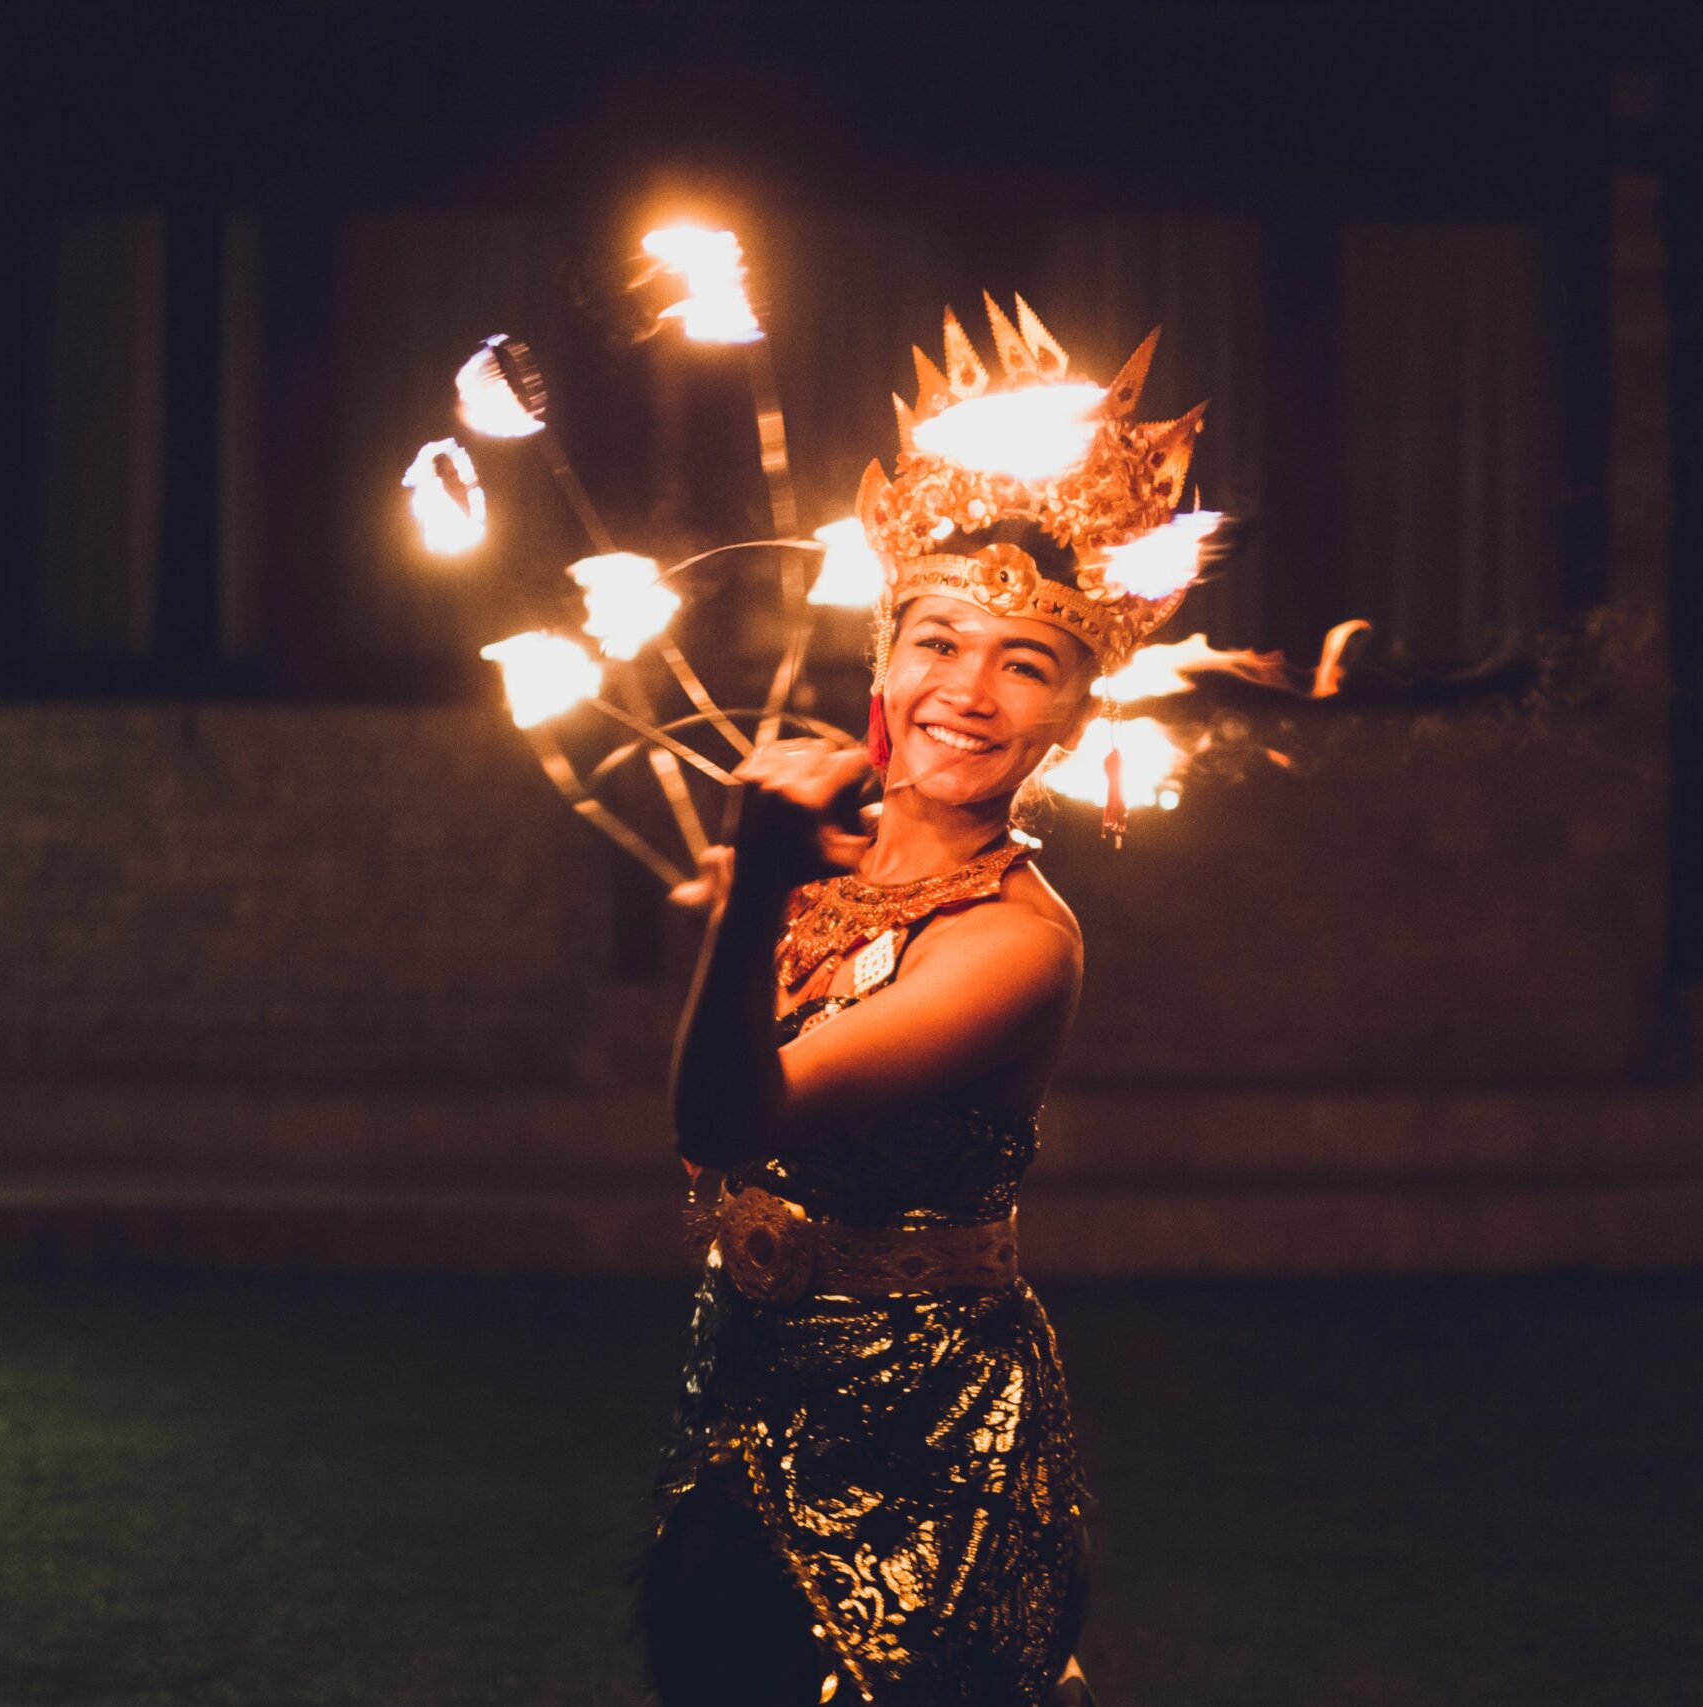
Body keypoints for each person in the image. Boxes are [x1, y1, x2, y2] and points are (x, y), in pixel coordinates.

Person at [635, 295, 1209, 1707]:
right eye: (938, 642)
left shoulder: (1019, 943)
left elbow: (725, 1122)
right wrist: (755, 904)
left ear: (1078, 713)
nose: (971, 688)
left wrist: (759, 901)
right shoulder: (823, 857)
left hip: (931, 1428)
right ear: (883, 667)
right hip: (743, 1383)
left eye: (1029, 664)